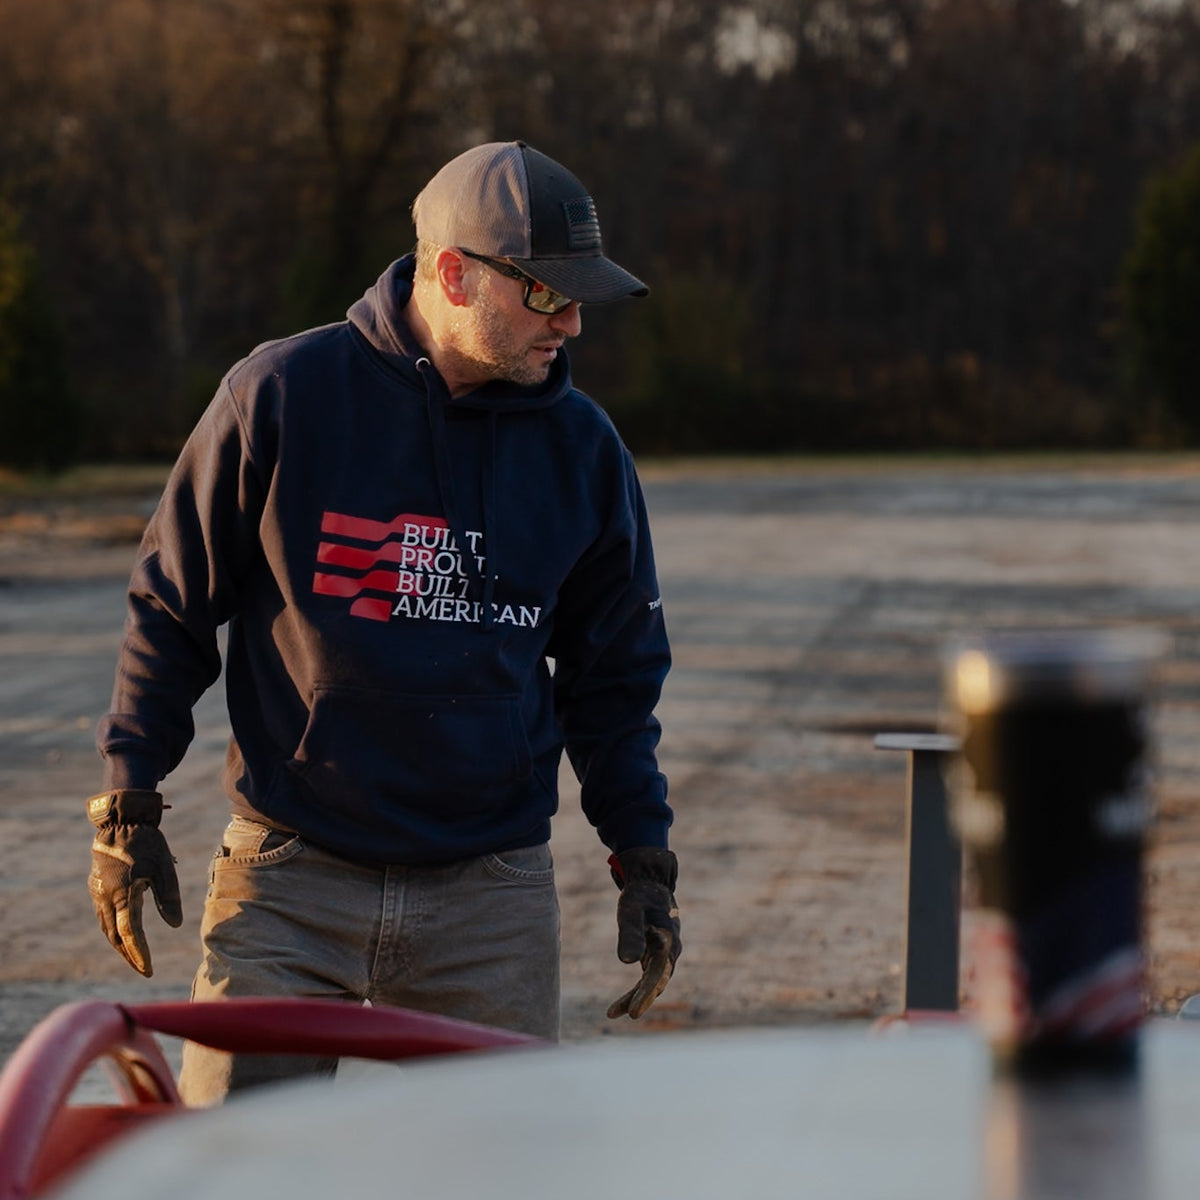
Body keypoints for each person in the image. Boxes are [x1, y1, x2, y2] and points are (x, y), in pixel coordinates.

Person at [85, 140, 681, 1104]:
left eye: (582, 298)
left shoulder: (583, 451)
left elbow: (615, 679)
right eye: (546, 293)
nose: (572, 322)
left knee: (496, 1165)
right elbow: (172, 604)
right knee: (236, 1163)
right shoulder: (282, 396)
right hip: (291, 877)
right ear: (453, 272)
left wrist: (642, 852)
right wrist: (128, 799)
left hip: (489, 896)